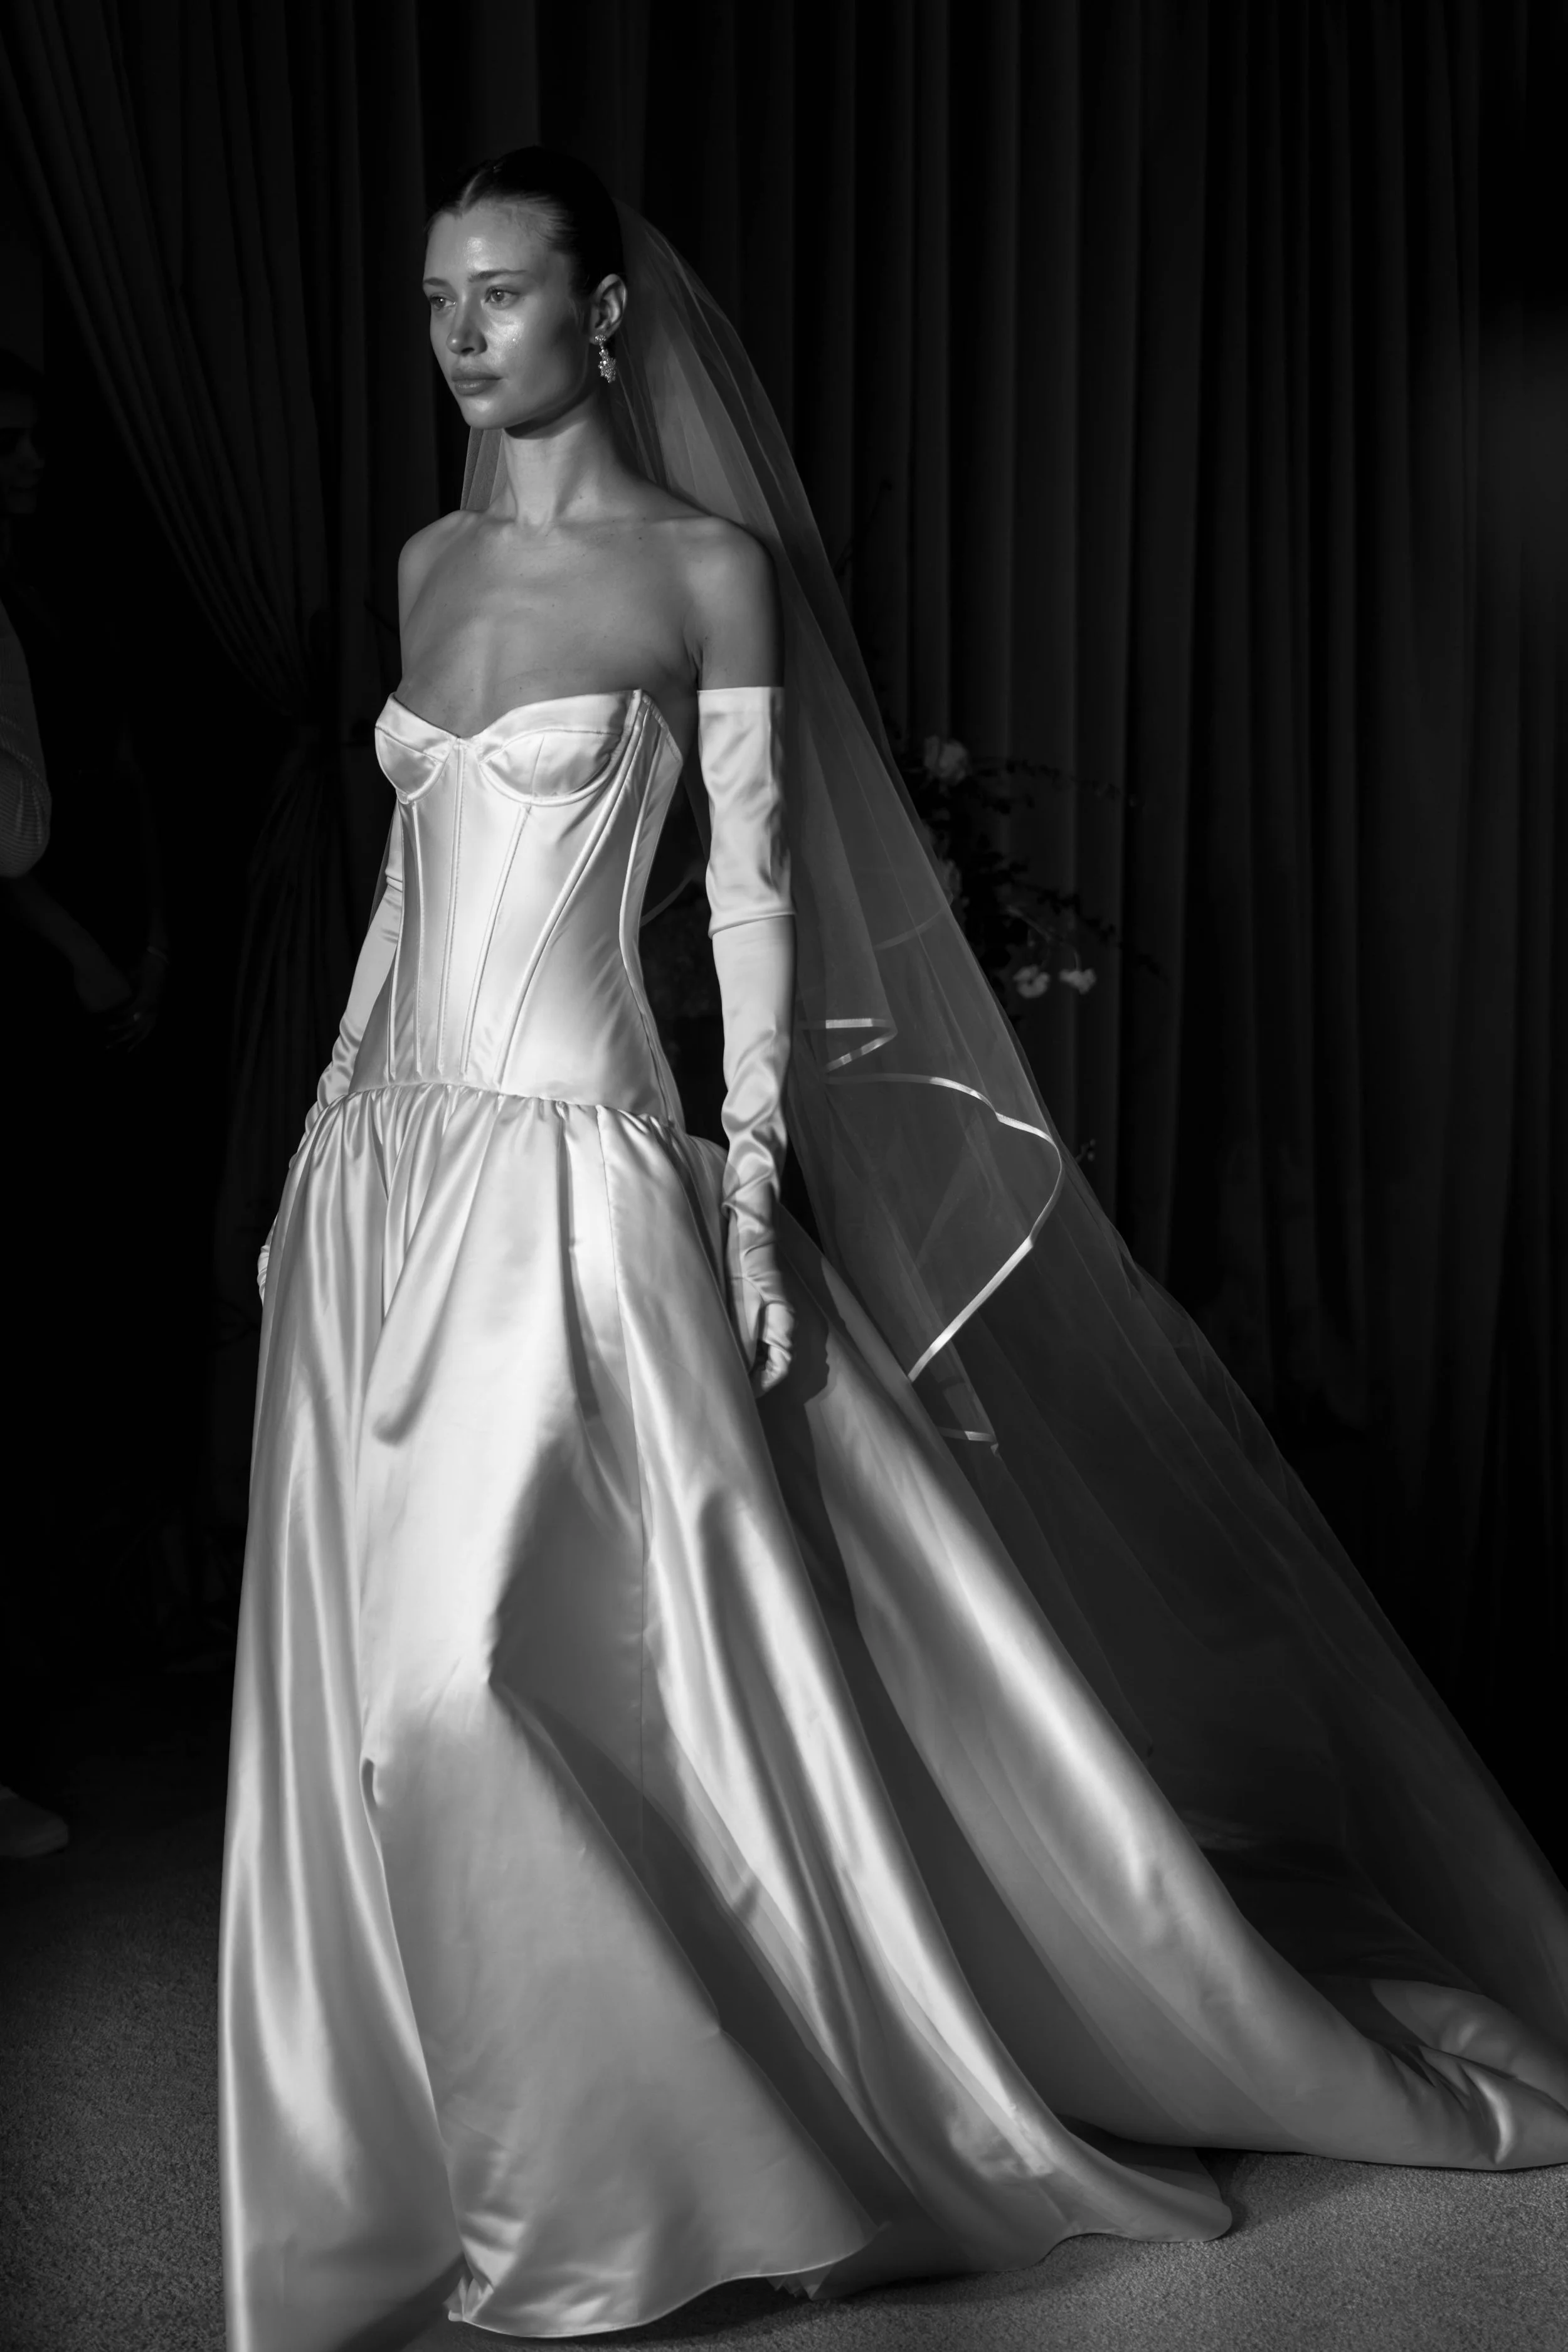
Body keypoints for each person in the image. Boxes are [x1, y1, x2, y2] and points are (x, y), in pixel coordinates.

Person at [220, 151, 1568, 2352]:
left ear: (608, 317)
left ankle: (636, 2194)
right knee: (393, 1704)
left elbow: (747, 900)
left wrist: (747, 1192)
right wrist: (307, 1156)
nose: (463, 337)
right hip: (390, 1172)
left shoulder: (708, 573)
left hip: (579, 1172)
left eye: (503, 295)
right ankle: (489, 2154)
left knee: (476, 1681)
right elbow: (405, 885)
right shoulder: (427, 561)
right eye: (439, 299)